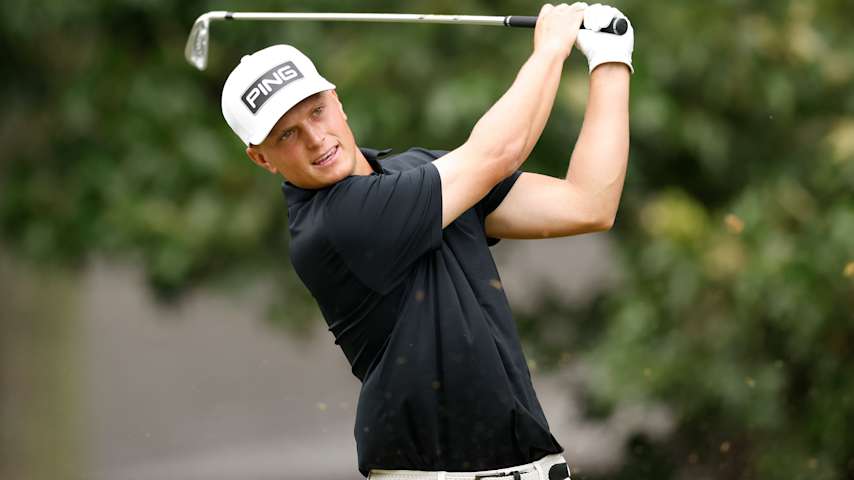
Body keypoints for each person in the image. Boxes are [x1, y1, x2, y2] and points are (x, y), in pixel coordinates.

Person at [220, 2, 632, 478]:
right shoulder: (333, 223)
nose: (315, 138)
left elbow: (587, 204)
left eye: (317, 111)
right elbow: (496, 153)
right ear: (262, 159)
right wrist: (551, 50)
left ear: (338, 100)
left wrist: (610, 62)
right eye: (287, 133)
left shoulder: (418, 174)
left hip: (532, 466)